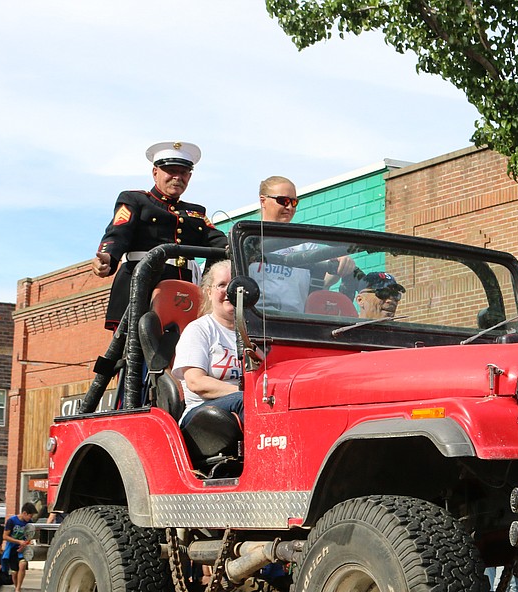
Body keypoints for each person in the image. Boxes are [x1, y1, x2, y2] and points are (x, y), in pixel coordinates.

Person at [92, 141, 229, 330]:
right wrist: (108, 256)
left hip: (184, 292)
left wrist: (243, 247)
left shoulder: (196, 212)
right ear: (155, 172)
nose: (177, 178)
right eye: (171, 171)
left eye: (183, 173)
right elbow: (118, 232)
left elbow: (218, 241)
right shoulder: (135, 200)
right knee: (135, 351)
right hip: (142, 288)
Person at [248, 176, 356, 312]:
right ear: (263, 201)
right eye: (283, 201)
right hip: (255, 322)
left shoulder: (305, 245)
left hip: (295, 323)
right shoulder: (248, 240)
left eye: (294, 202)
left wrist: (341, 261)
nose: (289, 207)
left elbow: (324, 279)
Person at [172, 260, 243, 426]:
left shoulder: (256, 332)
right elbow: (196, 382)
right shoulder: (199, 330)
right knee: (247, 403)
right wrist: (246, 393)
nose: (229, 291)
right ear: (209, 292)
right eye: (222, 285)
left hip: (245, 400)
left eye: (234, 284)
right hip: (200, 412)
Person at [2, 503, 36, 592]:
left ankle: (18, 589)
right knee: (14, 571)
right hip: (12, 547)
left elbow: (30, 536)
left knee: (22, 565)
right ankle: (17, 590)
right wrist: (18, 542)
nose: (30, 518)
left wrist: (25, 543)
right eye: (30, 515)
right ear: (24, 513)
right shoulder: (12, 521)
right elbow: (5, 536)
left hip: (23, 548)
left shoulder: (29, 523)